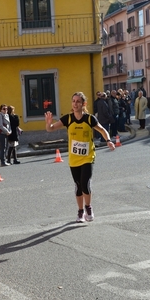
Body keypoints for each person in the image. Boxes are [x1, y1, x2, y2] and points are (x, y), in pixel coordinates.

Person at [44, 92, 115, 223]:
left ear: (83, 104)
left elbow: (102, 130)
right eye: (73, 101)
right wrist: (48, 124)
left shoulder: (89, 119)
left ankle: (88, 207)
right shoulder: (68, 119)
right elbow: (51, 129)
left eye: (78, 101)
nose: (75, 104)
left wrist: (108, 140)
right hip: (74, 158)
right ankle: (80, 211)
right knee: (78, 185)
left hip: (88, 157)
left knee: (85, 183)